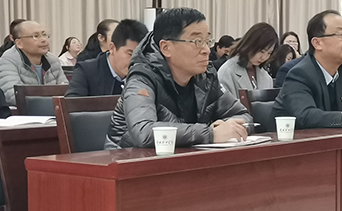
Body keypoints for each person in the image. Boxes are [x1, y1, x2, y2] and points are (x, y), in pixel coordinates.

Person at [105, 8, 252, 149]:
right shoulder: (141, 78)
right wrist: (210, 133)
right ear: (166, 48)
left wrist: (225, 127)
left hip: (183, 158)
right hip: (124, 159)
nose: (207, 50)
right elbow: (143, 132)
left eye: (207, 41)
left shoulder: (206, 77)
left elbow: (243, 115)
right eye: (197, 42)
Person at [66, 19, 148, 97]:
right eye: (130, 54)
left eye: (141, 55)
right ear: (112, 48)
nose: (135, 61)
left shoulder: (145, 74)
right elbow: (72, 104)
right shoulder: (85, 71)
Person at [0, 20, 68, 105]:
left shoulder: (53, 60)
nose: (44, 40)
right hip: (23, 112)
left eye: (44, 35)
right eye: (36, 36)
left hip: (53, 109)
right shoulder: (9, 60)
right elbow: (13, 96)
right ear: (19, 43)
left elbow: (66, 91)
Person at [217, 22, 278, 96]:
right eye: (262, 51)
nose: (264, 57)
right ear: (250, 44)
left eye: (269, 53)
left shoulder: (266, 77)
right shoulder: (227, 72)